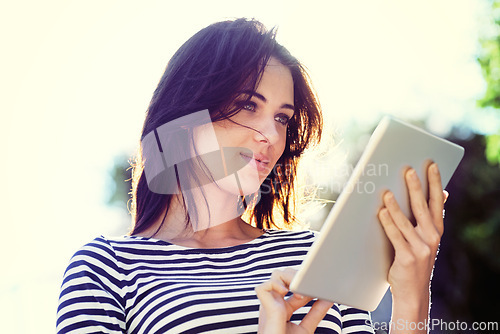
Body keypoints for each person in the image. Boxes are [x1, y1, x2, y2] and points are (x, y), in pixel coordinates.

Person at [56, 18, 446, 334]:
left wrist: (411, 299)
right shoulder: (106, 267)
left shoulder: (314, 255)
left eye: (282, 117)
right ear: (185, 114)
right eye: (246, 105)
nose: (272, 136)